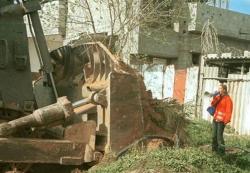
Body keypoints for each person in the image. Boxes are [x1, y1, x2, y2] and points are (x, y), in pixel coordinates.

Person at [211, 83, 233, 154]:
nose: (218, 90)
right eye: (218, 88)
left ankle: (221, 152)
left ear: (224, 90)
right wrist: (216, 97)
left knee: (219, 137)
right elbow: (212, 104)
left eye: (220, 88)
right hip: (215, 119)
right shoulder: (218, 97)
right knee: (214, 136)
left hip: (221, 121)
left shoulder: (228, 99)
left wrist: (225, 121)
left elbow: (229, 111)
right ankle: (214, 151)